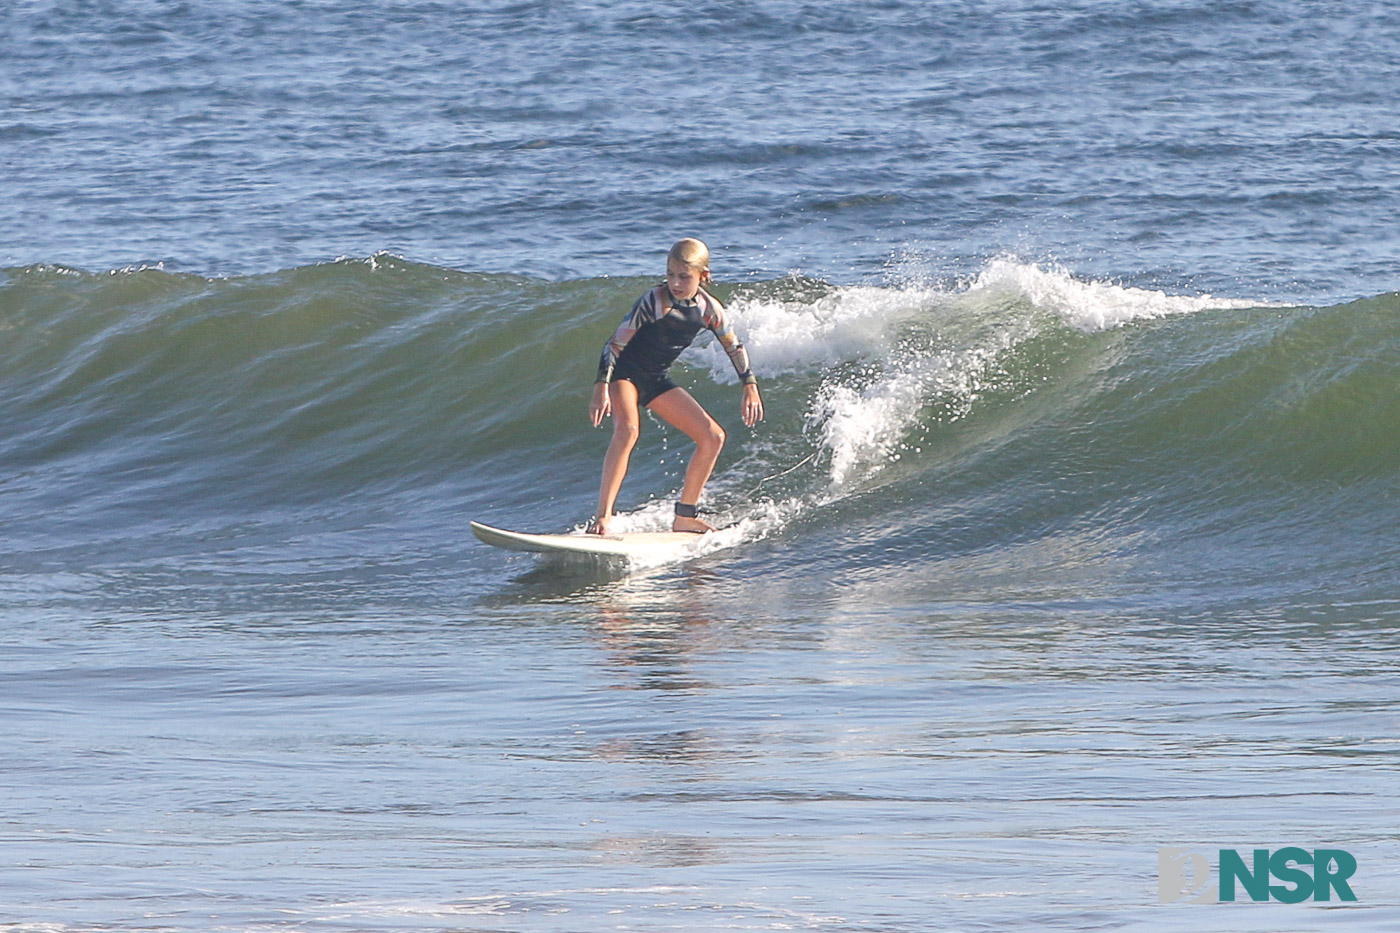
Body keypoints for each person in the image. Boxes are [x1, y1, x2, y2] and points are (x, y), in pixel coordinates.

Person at [588, 238, 763, 535]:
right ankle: (604, 516)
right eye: (671, 274)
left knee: (713, 436)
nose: (676, 283)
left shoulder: (709, 309)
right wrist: (601, 386)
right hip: (625, 375)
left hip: (656, 379)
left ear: (703, 276)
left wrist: (750, 385)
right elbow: (615, 344)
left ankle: (685, 516)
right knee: (628, 429)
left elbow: (734, 346)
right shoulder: (654, 301)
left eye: (685, 276)